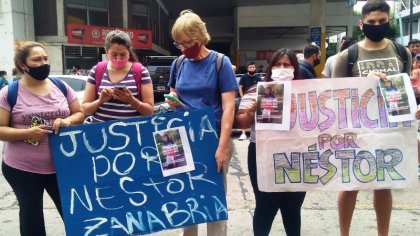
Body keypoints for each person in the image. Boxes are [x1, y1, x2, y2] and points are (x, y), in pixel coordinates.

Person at [332, 1, 412, 235]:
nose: (377, 25)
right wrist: (364, 82)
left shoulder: (402, 52)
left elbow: (404, 89)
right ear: (362, 24)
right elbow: (335, 94)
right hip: (357, 131)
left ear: (388, 21)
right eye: (372, 22)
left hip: (390, 130)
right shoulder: (348, 55)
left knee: (384, 186)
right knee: (350, 186)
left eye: (382, 21)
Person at [0, 40, 85, 236]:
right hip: (22, 169)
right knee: (31, 218)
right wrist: (27, 133)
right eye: (37, 59)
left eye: (45, 58)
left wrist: (67, 122)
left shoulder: (60, 86)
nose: (44, 63)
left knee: (75, 215)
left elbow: (79, 114)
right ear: (23, 65)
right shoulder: (9, 93)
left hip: (62, 166)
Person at [167, 9, 238, 236]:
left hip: (212, 139)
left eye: (186, 43)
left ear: (199, 37)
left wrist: (223, 146)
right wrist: (173, 101)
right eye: (178, 44)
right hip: (181, 138)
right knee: (186, 197)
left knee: (213, 198)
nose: (183, 48)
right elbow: (173, 91)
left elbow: (229, 107)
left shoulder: (220, 62)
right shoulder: (178, 63)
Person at [236, 48, 306, 236]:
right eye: (278, 64)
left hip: (296, 154)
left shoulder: (305, 92)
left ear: (294, 68)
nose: (282, 68)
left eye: (287, 65)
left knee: (292, 207)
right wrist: (250, 111)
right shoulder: (256, 90)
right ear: (271, 67)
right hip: (262, 154)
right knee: (265, 205)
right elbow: (241, 121)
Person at [82, 30, 154, 122]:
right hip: (101, 133)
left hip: (132, 133)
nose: (118, 59)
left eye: (123, 55)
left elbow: (149, 111)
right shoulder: (97, 70)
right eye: (114, 54)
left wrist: (131, 100)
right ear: (106, 51)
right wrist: (100, 101)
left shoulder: (141, 71)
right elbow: (85, 109)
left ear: (129, 52)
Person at [238, 62, 262, 140]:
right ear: (248, 68)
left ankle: (257, 134)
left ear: (255, 68)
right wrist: (242, 97)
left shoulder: (258, 78)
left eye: (253, 67)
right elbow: (240, 87)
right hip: (245, 99)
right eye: (250, 67)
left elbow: (261, 88)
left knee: (257, 116)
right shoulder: (244, 77)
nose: (252, 68)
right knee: (244, 115)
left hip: (256, 99)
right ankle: (243, 134)